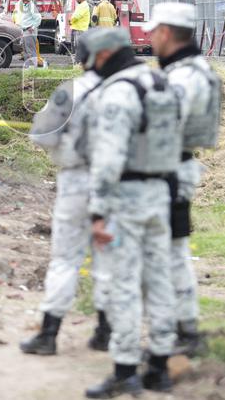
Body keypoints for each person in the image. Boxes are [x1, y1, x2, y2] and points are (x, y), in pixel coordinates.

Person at [80, 28, 182, 398]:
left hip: (126, 198)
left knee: (124, 284)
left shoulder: (119, 92)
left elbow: (107, 160)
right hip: (161, 194)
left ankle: (125, 371)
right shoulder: (161, 82)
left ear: (104, 56)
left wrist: (97, 212)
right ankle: (159, 366)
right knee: (160, 281)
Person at [20, 38, 112, 356]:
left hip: (74, 181)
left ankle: (48, 334)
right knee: (107, 260)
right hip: (113, 184)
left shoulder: (70, 91)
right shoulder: (124, 91)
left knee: (64, 260)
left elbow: (41, 135)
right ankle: (105, 331)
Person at [146, 3, 221, 357]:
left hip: (169, 172)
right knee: (172, 253)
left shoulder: (184, 78)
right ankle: (182, 329)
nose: (148, 37)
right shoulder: (191, 71)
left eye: (153, 31)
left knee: (166, 256)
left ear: (165, 32)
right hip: (174, 168)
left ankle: (177, 333)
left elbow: (163, 124)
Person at [15, 0, 43, 68]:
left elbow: (38, 18)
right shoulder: (24, 6)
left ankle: (35, 66)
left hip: (30, 31)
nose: (24, 0)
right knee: (25, 50)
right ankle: (26, 66)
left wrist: (33, 27)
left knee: (31, 50)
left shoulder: (32, 6)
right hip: (24, 30)